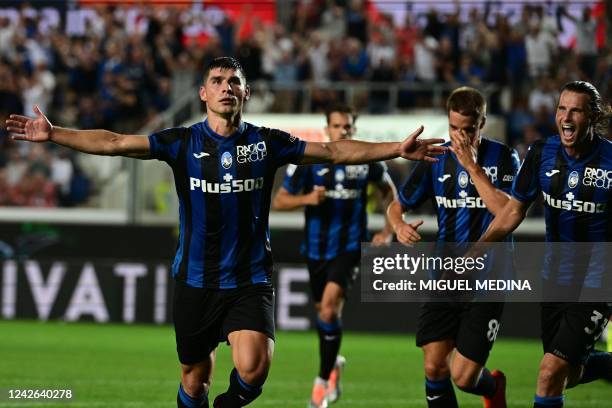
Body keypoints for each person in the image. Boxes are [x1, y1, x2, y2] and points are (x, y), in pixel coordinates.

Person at [5, 57, 446, 408]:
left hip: (249, 280)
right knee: (194, 381)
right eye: (217, 80)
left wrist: (393, 148)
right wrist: (56, 134)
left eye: (234, 80)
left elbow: (333, 150)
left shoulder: (268, 143)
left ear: (246, 92)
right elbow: (116, 142)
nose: (226, 86)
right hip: (196, 280)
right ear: (203, 93)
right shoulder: (181, 142)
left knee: (254, 370)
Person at [476, 80, 612, 407]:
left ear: (592, 116)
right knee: (569, 372)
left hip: (596, 283)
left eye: (576, 110)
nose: (566, 117)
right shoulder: (541, 153)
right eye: (562, 108)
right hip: (554, 281)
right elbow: (513, 210)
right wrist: (479, 247)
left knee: (550, 372)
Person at [387, 86, 520, 408]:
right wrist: (399, 226)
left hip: (489, 278)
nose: (460, 137)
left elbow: (507, 212)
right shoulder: (437, 159)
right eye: (454, 129)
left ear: (483, 123)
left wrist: (472, 167)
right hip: (445, 274)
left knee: (463, 376)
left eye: (469, 130)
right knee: (434, 365)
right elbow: (396, 205)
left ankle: (492, 386)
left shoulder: (504, 157)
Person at [272, 104, 396, 408]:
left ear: (354, 129)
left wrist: (388, 231)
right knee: (325, 315)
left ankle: (320, 383)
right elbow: (280, 200)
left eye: (348, 127)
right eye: (337, 126)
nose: (343, 131)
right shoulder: (307, 160)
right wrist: (307, 199)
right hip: (315, 249)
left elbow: (390, 192)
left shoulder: (366, 160)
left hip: (350, 246)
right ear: (326, 129)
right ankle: (334, 366)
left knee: (328, 310)